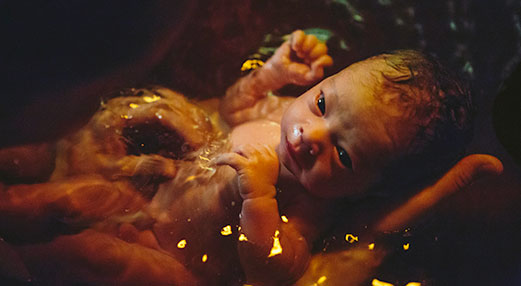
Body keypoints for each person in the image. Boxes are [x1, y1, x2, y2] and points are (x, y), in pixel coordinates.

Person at [0, 31, 502, 286]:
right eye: (323, 104)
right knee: (71, 197)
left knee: (99, 257)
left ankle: (21, 263)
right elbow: (230, 108)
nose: (311, 136)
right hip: (153, 190)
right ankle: (12, 204)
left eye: (344, 155)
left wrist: (259, 196)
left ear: (366, 189)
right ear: (324, 83)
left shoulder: (310, 206)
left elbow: (276, 267)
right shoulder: (288, 110)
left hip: (175, 261)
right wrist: (269, 76)